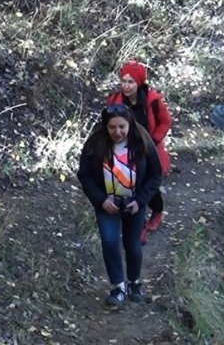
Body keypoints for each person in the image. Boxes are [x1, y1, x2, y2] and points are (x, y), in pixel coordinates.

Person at [77, 105, 163, 307]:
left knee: (133, 245)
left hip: (134, 202)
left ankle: (134, 283)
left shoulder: (142, 141)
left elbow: (155, 174)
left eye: (122, 127)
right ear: (105, 127)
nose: (118, 132)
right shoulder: (95, 144)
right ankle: (117, 286)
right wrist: (100, 199)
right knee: (109, 242)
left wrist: (140, 200)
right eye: (112, 127)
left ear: (130, 124)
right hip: (107, 203)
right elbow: (85, 175)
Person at [107, 60, 172, 243]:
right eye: (124, 81)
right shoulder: (115, 100)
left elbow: (166, 122)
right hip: (125, 152)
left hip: (149, 151)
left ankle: (157, 212)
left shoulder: (152, 100)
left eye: (130, 82)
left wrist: (154, 141)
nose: (126, 86)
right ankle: (139, 224)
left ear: (139, 83)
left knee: (149, 188)